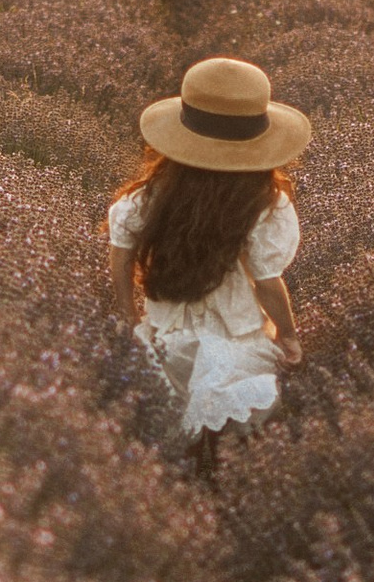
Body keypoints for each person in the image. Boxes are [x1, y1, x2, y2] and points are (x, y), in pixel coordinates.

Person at [107, 55, 309, 479]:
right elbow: (268, 282)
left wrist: (128, 319)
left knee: (163, 435)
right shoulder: (265, 204)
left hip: (166, 334)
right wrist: (288, 336)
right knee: (233, 441)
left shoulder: (150, 197)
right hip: (234, 340)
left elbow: (121, 256)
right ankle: (226, 494)